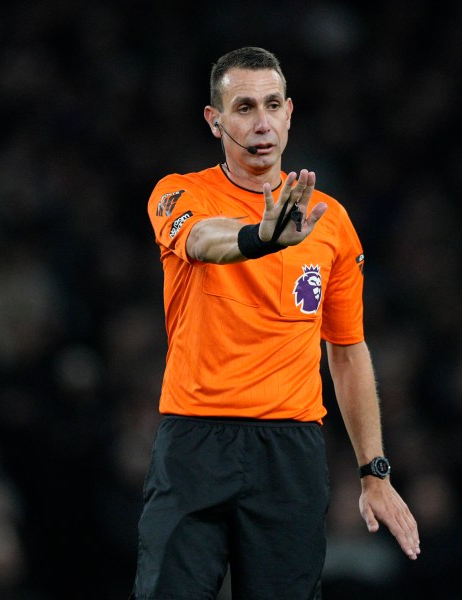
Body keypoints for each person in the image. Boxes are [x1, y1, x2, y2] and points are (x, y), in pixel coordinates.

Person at [131, 46, 420, 600]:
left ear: (289, 112)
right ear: (215, 121)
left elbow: (347, 349)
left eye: (270, 105)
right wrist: (258, 239)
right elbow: (201, 241)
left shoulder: (329, 221)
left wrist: (374, 471)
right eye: (243, 108)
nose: (260, 123)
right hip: (195, 443)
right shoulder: (178, 193)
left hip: (291, 452)